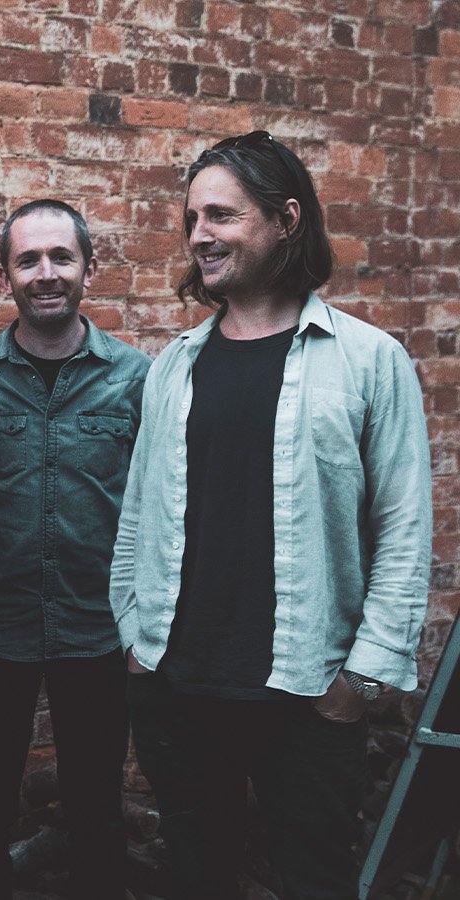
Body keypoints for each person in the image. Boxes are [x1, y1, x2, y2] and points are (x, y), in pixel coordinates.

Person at [111, 132, 432, 900]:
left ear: (286, 219)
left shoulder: (370, 360)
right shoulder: (175, 364)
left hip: (308, 696)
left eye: (221, 215)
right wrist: (133, 639)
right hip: (179, 689)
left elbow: (403, 530)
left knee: (316, 884)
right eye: (192, 218)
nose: (199, 235)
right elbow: (138, 516)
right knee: (196, 881)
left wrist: (359, 682)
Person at [0, 200, 150, 899]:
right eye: (28, 260)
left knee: (96, 803)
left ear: (90, 267)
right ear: (5, 277)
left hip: (99, 629)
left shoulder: (136, 379)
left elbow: (156, 512)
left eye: (61, 256)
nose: (46, 273)